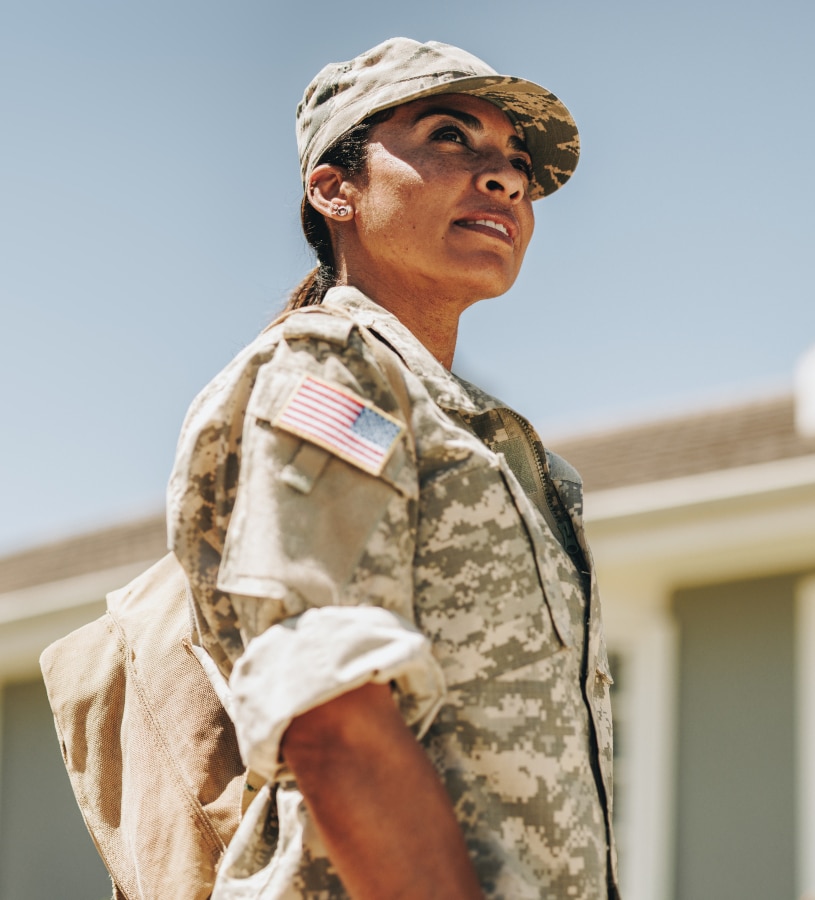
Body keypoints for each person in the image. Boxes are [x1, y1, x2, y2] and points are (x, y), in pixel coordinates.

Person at [167, 36, 620, 900]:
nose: (506, 180)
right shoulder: (332, 370)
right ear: (334, 189)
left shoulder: (492, 439)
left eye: (516, 164)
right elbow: (330, 709)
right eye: (450, 136)